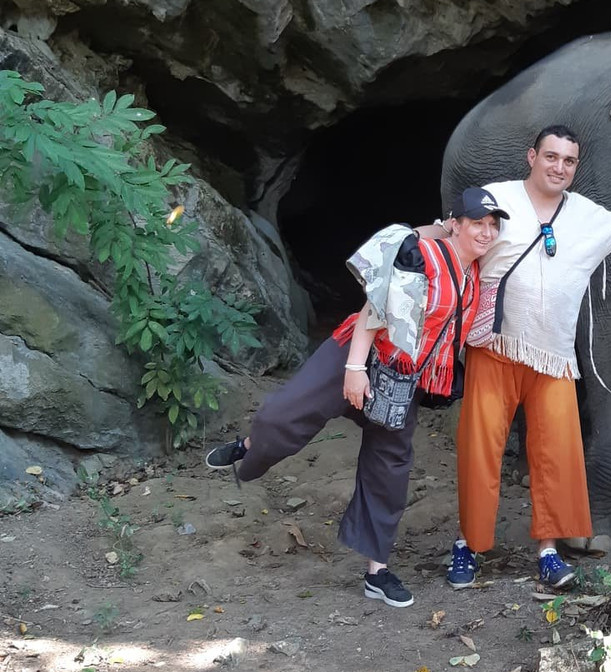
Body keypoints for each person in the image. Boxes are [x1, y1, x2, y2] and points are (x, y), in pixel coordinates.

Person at [421, 125, 611, 590]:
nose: (559, 167)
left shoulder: (585, 215)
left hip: (554, 358)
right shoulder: (497, 198)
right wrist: (403, 236)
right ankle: (468, 545)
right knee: (481, 453)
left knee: (556, 457)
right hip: (494, 348)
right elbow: (450, 231)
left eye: (568, 161)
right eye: (551, 157)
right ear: (531, 157)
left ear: (575, 167)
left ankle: (548, 551)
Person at [204, 187, 509, 607]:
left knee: (390, 470)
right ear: (455, 223)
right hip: (358, 355)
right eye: (478, 222)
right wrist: (353, 370)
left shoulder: (475, 276)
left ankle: (376, 573)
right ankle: (250, 447)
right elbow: (376, 307)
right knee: (284, 415)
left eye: (493, 225)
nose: (487, 232)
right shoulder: (422, 255)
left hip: (402, 383)